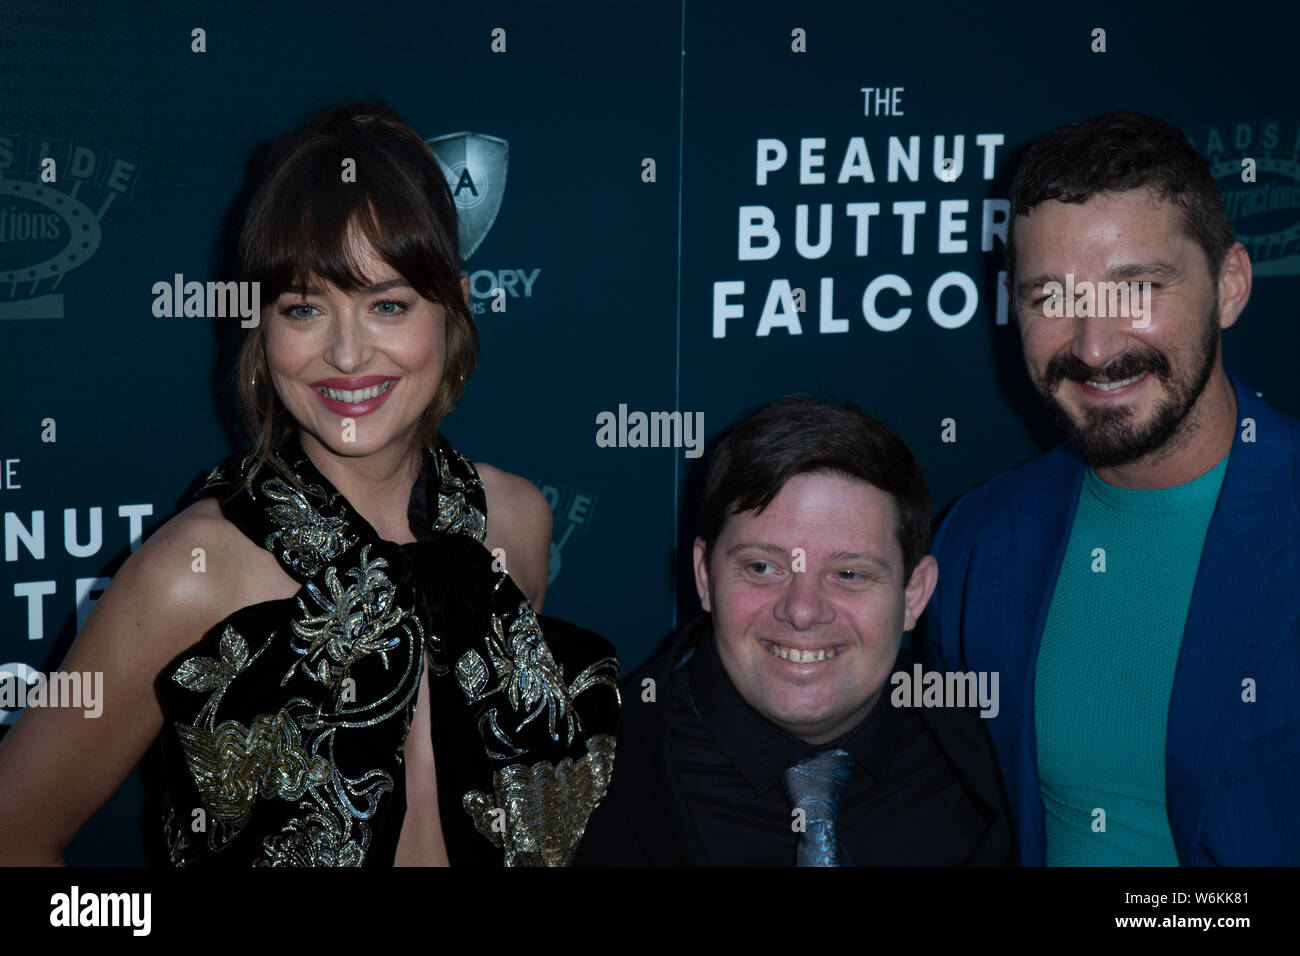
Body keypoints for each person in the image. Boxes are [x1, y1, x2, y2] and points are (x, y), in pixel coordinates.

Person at [0, 102, 620, 867]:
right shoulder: (191, 573)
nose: (348, 354)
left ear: (454, 305)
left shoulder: (515, 523)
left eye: (387, 304)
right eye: (304, 308)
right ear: (262, 328)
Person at [919, 111, 1300, 865]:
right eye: (1050, 299)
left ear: (1229, 286)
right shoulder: (978, 542)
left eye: (1136, 289)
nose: (1094, 347)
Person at [577, 397, 1015, 866]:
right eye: (763, 567)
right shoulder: (578, 773)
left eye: (849, 574)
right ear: (704, 577)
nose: (802, 611)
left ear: (913, 594)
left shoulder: (995, 747)